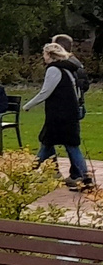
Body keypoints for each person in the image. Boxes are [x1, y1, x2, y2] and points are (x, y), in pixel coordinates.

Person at [24, 43, 91, 188]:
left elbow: (45, 92)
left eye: (44, 54)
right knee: (57, 143)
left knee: (58, 144)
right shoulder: (69, 69)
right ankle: (80, 176)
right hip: (70, 112)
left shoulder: (54, 69)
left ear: (49, 55)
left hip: (59, 115)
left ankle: (83, 177)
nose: (43, 57)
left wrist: (28, 105)